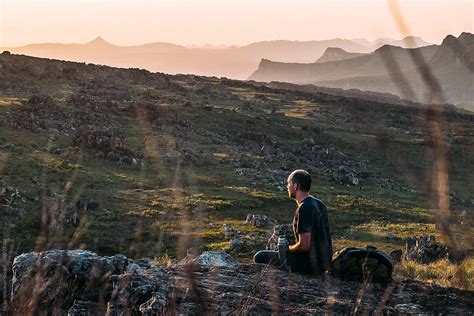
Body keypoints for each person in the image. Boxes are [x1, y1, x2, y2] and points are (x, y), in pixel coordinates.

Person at [253, 169, 333, 275]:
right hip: (324, 262)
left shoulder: (304, 208)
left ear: (295, 186)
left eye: (288, 183)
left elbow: (304, 245)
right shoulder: (319, 204)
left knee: (260, 256)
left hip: (309, 264)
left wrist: (287, 249)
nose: (287, 186)